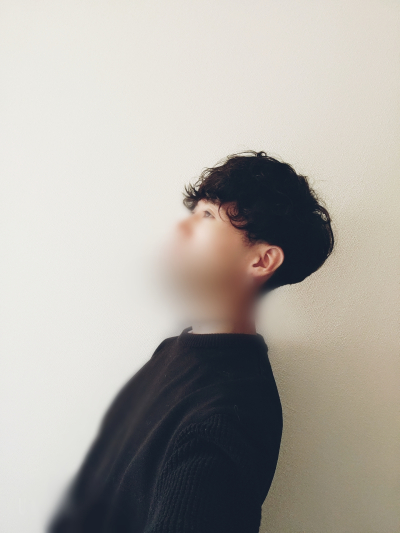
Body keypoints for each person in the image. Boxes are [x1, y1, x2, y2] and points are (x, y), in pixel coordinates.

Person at [46, 150, 335, 533]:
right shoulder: (173, 351)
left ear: (262, 261)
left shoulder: (226, 423)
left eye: (208, 217)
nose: (182, 231)